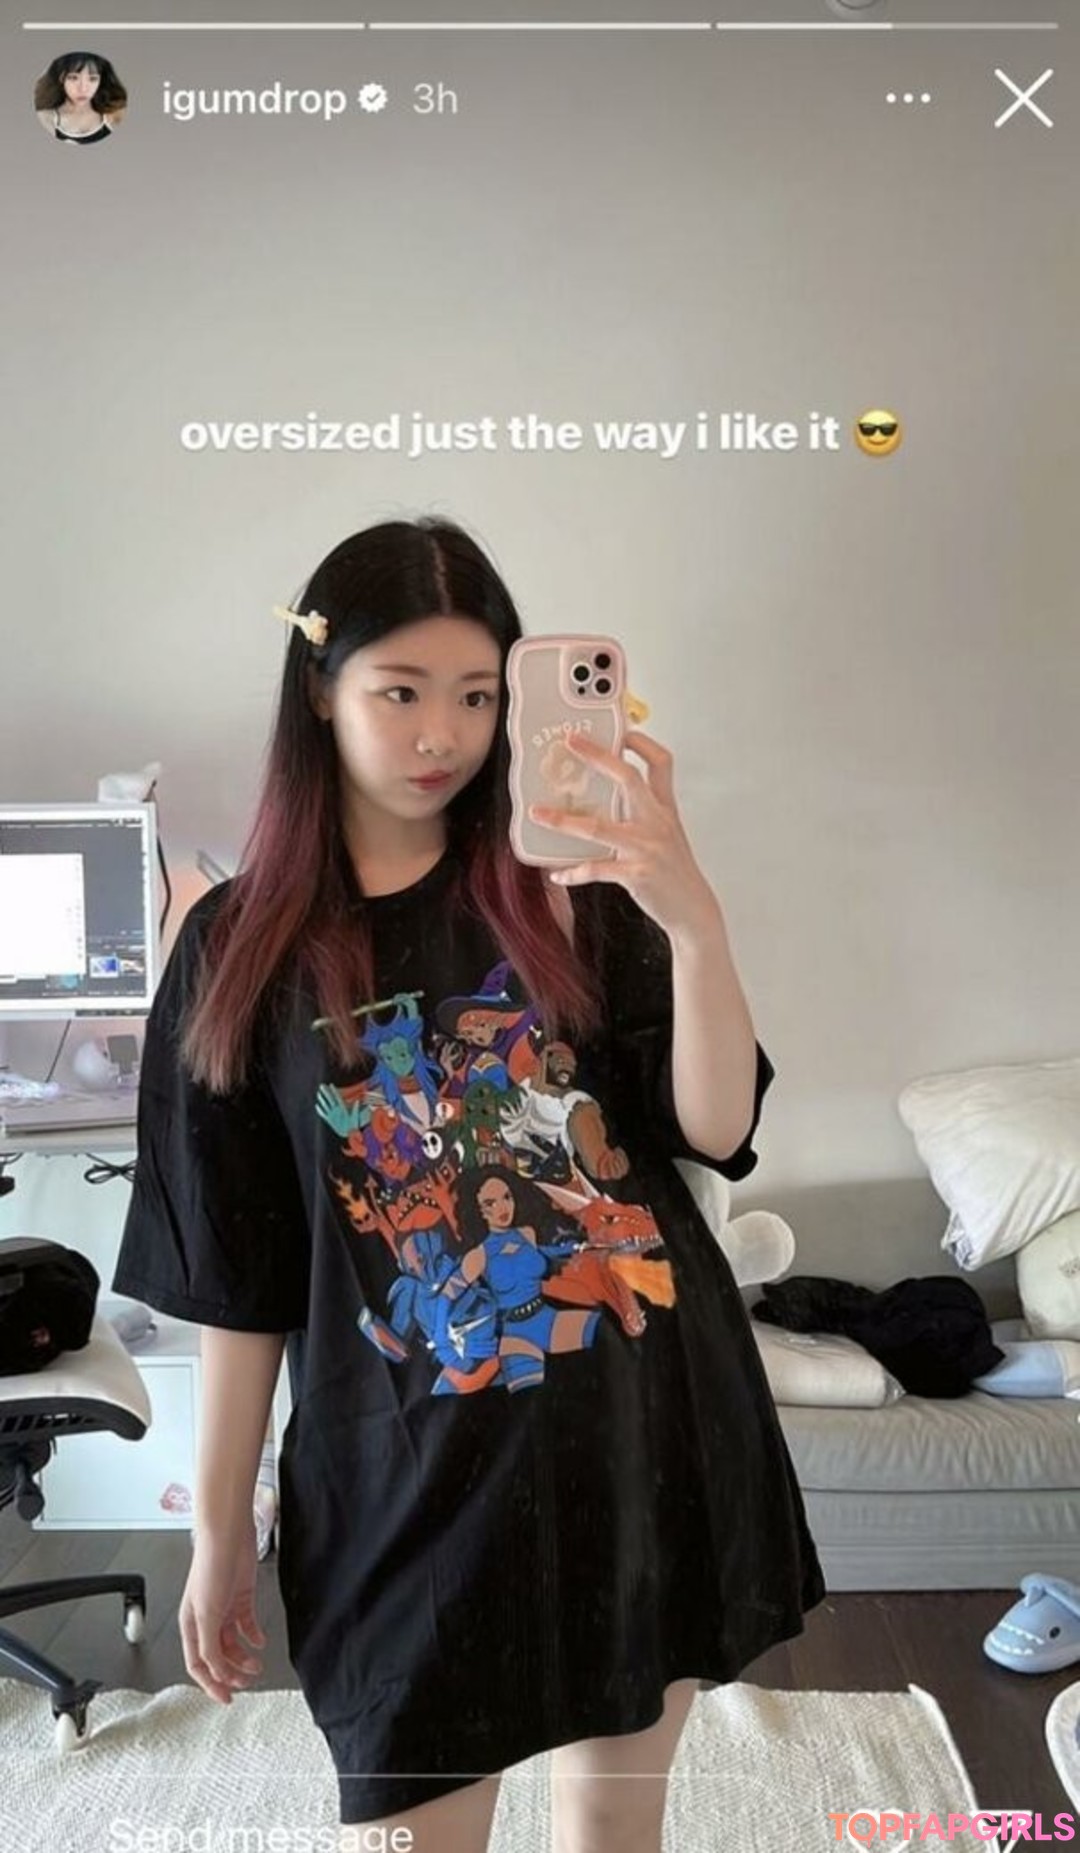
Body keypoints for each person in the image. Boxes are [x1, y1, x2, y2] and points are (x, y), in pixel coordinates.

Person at [112, 517, 825, 1853]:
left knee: (613, 1834)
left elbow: (717, 1125)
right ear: (319, 690)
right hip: (402, 1483)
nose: (442, 733)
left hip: (637, 1438)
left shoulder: (567, 890)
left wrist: (694, 917)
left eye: (478, 695)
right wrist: (217, 1528)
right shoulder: (236, 947)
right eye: (400, 691)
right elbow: (237, 1275)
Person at [34, 51, 127, 145]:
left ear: (101, 81)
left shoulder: (115, 116)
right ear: (61, 78)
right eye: (73, 78)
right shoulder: (45, 119)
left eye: (93, 79)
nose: (83, 89)